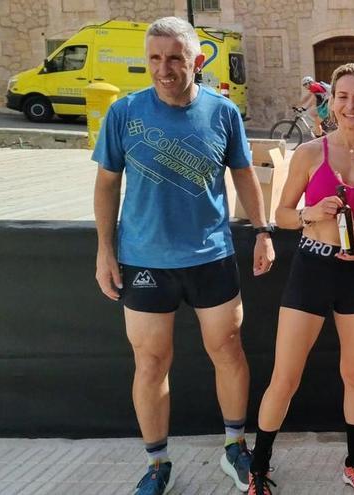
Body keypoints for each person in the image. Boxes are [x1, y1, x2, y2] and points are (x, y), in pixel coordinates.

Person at [92, 16, 275, 495]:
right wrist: (104, 250)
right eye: (154, 58)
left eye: (174, 57)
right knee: (151, 363)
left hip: (211, 256)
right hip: (146, 260)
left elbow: (243, 175)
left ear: (196, 60)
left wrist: (262, 231)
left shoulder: (222, 111)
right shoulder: (124, 112)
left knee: (228, 350)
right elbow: (107, 183)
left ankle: (235, 446)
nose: (164, 67)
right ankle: (157, 466)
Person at [247, 63, 354, 495]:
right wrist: (309, 214)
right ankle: (259, 470)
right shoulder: (311, 153)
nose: (351, 105)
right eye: (342, 96)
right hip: (311, 267)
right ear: (331, 102)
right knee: (286, 377)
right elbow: (281, 214)